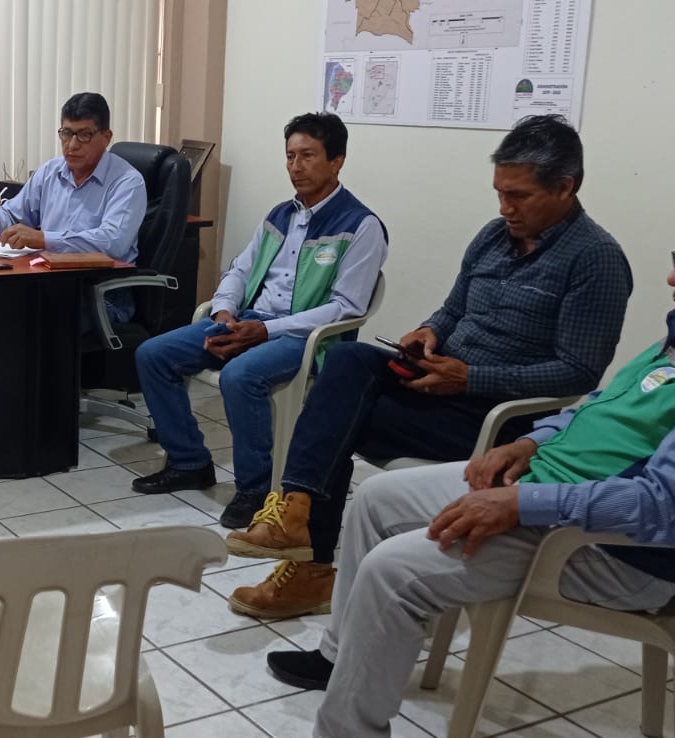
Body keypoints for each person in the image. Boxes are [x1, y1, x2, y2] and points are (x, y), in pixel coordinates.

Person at [268, 185, 675, 738]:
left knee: (393, 572)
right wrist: (531, 443)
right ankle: (343, 660)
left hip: (610, 549)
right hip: (548, 483)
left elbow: (666, 507)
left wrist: (521, 503)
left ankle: (347, 729)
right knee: (375, 498)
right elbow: (599, 404)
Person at [225, 114, 633, 619]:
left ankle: (308, 560)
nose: (505, 208)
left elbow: (578, 373)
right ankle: (298, 520)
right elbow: (453, 309)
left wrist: (470, 378)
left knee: (332, 421)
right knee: (348, 360)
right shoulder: (494, 236)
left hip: (497, 420)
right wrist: (428, 332)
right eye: (499, 193)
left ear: (566, 187)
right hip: (441, 385)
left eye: (519, 196)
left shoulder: (595, 259)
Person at [130, 112, 387, 507]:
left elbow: (345, 309)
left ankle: (256, 489)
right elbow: (240, 270)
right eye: (290, 156)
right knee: (153, 354)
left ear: (337, 161)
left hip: (307, 338)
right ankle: (189, 462)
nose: (295, 167)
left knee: (240, 376)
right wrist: (224, 312)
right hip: (249, 321)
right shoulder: (280, 215)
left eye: (308, 156)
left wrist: (267, 331)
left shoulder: (361, 225)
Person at [0, 91, 148, 438]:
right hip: (45, 282)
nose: (72, 144)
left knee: (15, 321)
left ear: (106, 136)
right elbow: (15, 212)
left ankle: (21, 423)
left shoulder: (127, 182)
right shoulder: (51, 172)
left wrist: (44, 238)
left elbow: (112, 243)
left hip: (99, 294)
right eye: (66, 133)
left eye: (84, 135)